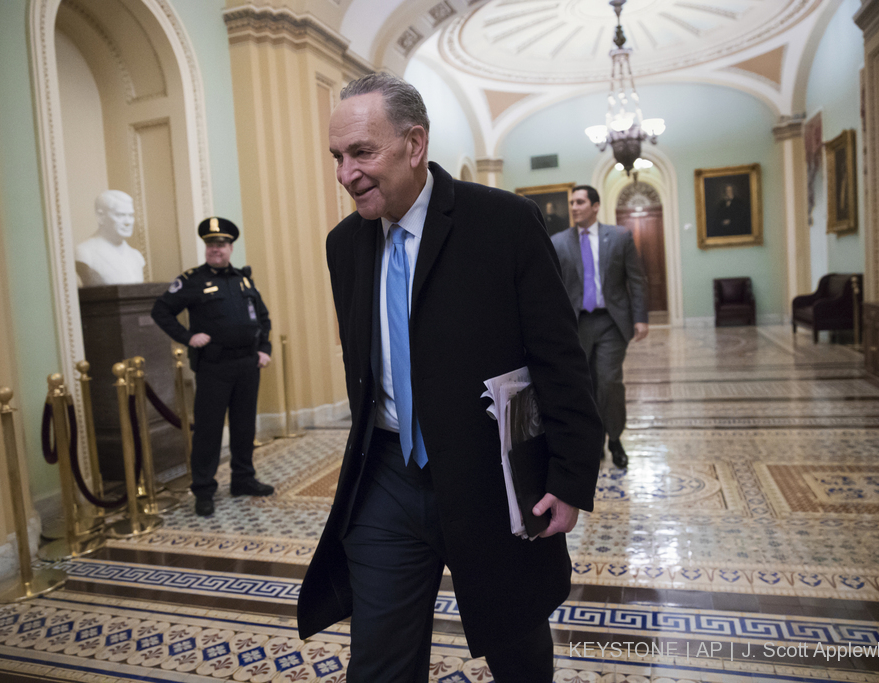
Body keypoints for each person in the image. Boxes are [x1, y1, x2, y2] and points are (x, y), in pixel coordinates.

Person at [297, 73, 602, 682]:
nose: (345, 174)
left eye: (362, 153)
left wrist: (570, 477)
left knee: (517, 650)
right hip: (386, 476)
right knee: (378, 660)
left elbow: (558, 359)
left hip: (494, 480)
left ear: (414, 145)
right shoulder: (344, 246)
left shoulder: (504, 223)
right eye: (337, 156)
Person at [151, 218, 274, 517]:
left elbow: (263, 317)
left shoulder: (243, 280)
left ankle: (243, 479)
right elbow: (161, 310)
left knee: (244, 426)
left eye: (220, 245)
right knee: (208, 431)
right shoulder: (192, 280)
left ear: (231, 247)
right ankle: (204, 489)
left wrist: (264, 349)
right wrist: (187, 337)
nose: (214, 250)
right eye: (210, 245)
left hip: (247, 364)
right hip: (214, 367)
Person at [551, 185, 648, 470]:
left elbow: (637, 280)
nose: (574, 207)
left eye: (580, 202)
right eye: (571, 202)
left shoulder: (620, 236)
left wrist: (640, 317)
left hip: (611, 322)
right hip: (576, 325)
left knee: (608, 381)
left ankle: (615, 438)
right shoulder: (558, 242)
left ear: (595, 206)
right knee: (584, 386)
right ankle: (591, 441)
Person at [75, 190, 146, 286]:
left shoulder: (136, 256)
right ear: (100, 216)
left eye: (131, 215)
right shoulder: (85, 252)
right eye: (120, 215)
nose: (128, 222)